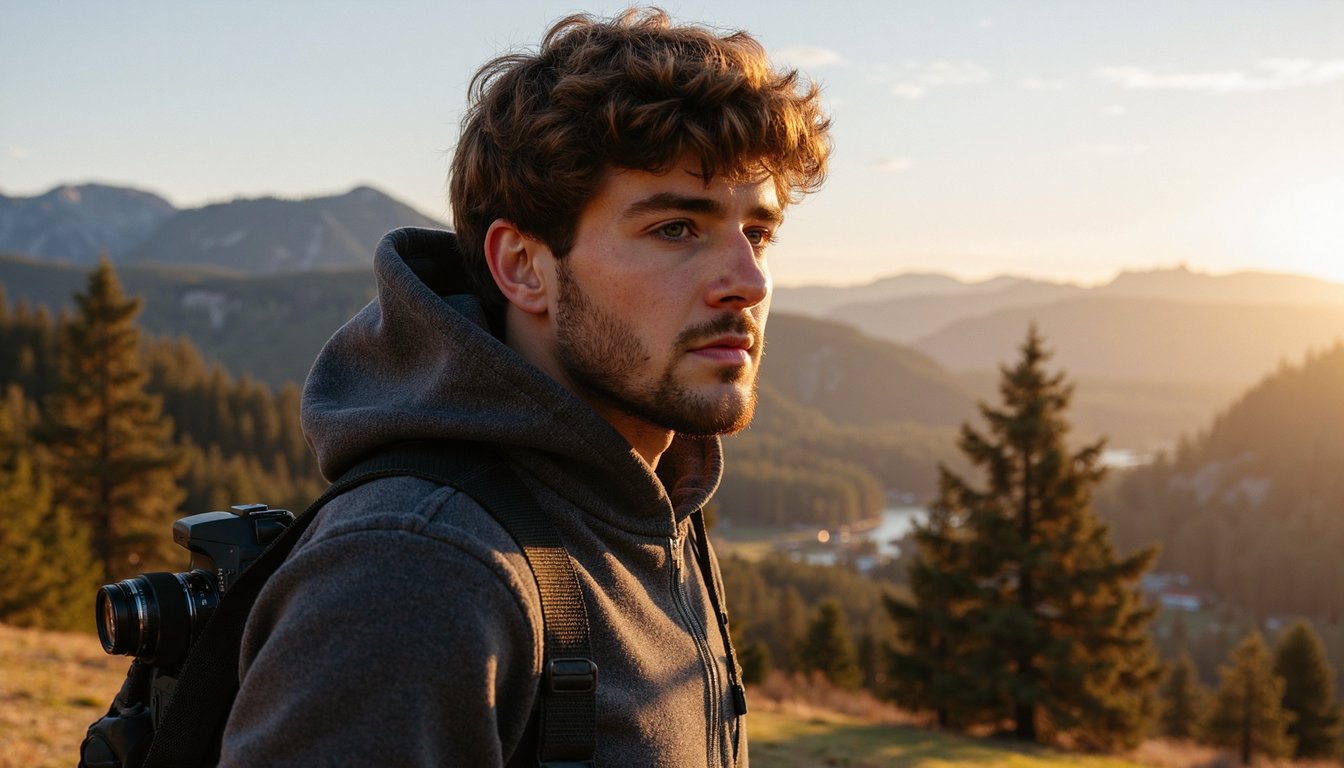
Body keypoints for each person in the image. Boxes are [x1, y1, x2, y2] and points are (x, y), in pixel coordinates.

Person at [219, 8, 831, 767]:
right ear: (523, 267)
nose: (747, 281)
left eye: (759, 234)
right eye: (676, 228)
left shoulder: (652, 508)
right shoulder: (417, 571)